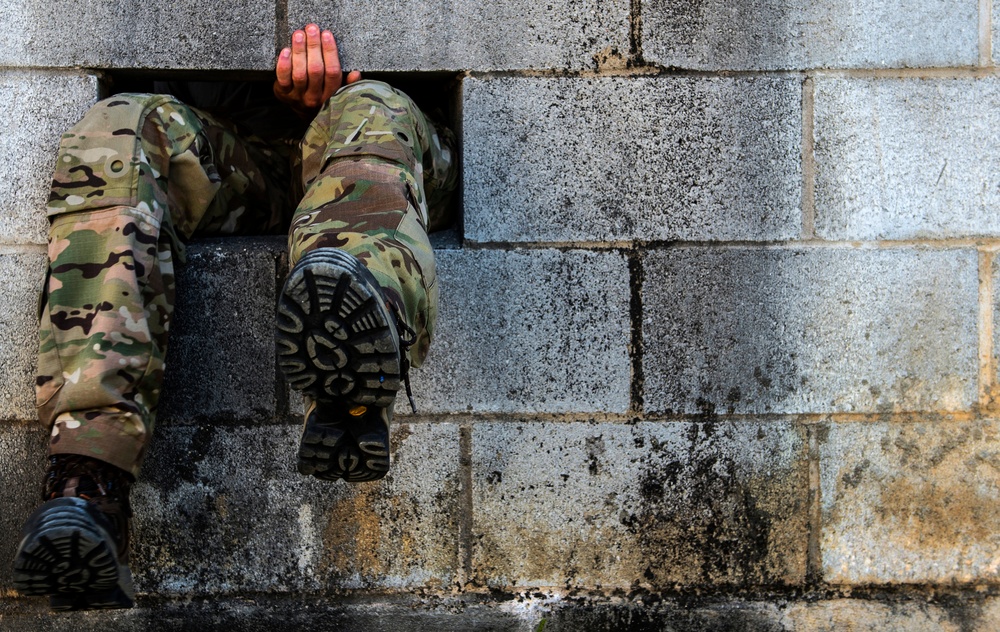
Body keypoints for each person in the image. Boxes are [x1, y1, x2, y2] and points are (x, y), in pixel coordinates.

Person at [11, 24, 456, 611]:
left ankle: (356, 348)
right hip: (249, 152)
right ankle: (89, 483)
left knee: (370, 104)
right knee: (120, 125)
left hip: (387, 141)